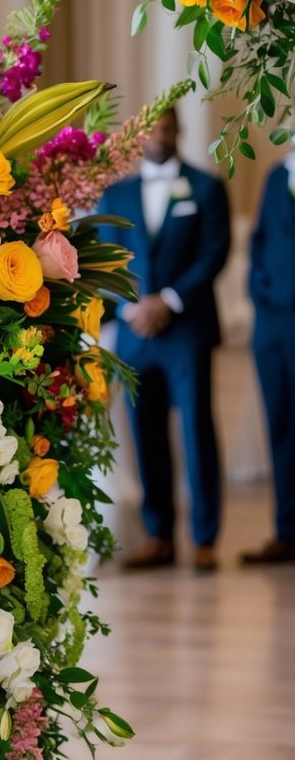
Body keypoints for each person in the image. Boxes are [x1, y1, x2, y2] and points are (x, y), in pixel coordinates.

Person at [97, 107, 231, 571]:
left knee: (196, 430)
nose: (160, 135)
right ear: (138, 134)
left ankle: (205, 538)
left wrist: (169, 301)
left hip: (186, 329)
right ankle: (159, 537)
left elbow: (215, 253)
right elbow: (106, 260)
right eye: (152, 128)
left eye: (168, 127)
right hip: (135, 333)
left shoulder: (207, 187)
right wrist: (130, 307)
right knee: (144, 432)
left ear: (179, 130)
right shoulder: (115, 194)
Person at [240, 147, 295, 565]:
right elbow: (259, 240)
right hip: (272, 325)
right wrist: (259, 294)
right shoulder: (278, 175)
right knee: (280, 424)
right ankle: (286, 530)